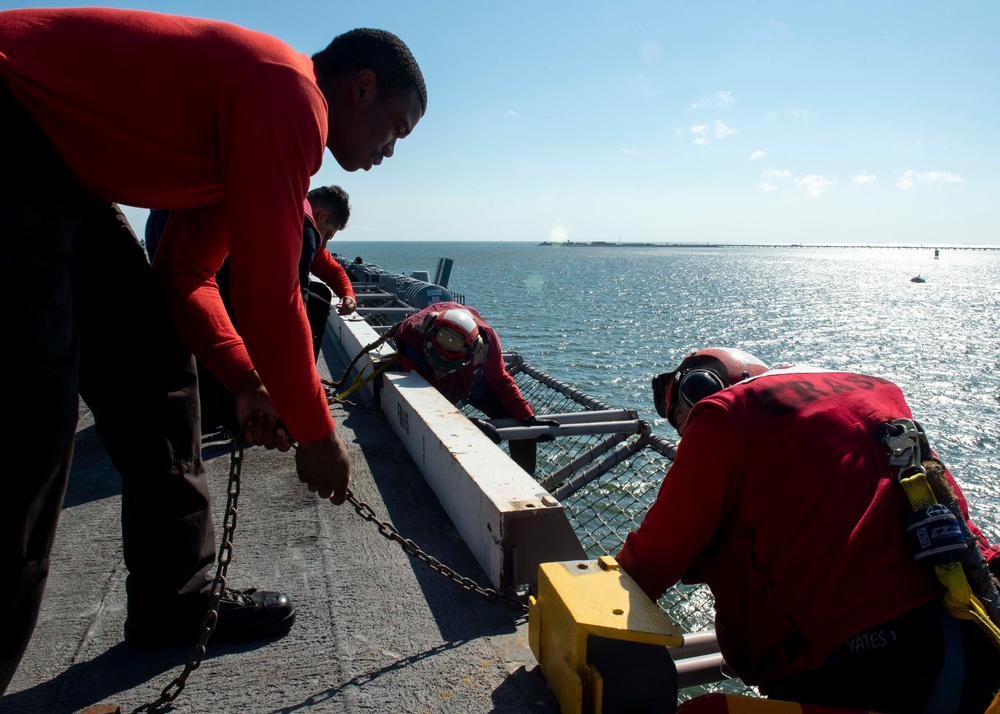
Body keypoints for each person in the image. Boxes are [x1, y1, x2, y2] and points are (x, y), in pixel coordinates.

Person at [0, 8, 425, 693]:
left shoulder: (254, 125)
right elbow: (267, 294)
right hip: (15, 126)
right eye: (395, 129)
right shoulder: (290, 93)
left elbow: (184, 276)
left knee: (152, 365)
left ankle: (176, 601)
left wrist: (246, 377)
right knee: (29, 422)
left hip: (63, 173)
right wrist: (317, 431)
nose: (389, 152)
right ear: (362, 88)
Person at [618, 348, 1000, 714]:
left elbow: (653, 559)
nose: (687, 440)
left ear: (700, 386)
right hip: (973, 632)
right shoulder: (874, 390)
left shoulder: (723, 411)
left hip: (869, 672)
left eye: (681, 421)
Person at [392, 303, 550, 474]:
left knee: (518, 416)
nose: (443, 368)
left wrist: (527, 417)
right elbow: (422, 404)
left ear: (474, 349)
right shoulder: (410, 336)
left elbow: (500, 379)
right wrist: (466, 425)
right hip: (428, 377)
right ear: (429, 333)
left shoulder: (487, 341)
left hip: (470, 379)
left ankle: (525, 480)